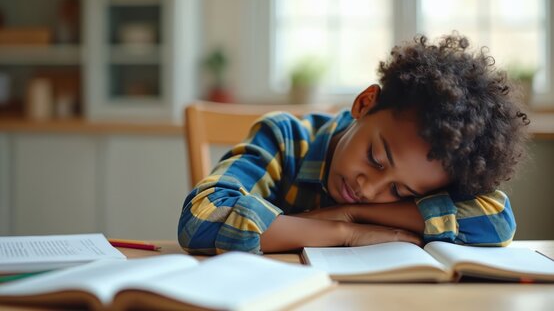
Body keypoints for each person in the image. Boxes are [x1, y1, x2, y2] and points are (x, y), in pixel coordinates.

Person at [178, 33, 529, 255]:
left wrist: (354, 212)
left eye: (400, 190)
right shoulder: (284, 138)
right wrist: (345, 231)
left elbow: (496, 219)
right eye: (376, 158)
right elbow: (202, 217)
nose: (370, 189)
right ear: (365, 103)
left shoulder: (428, 171)